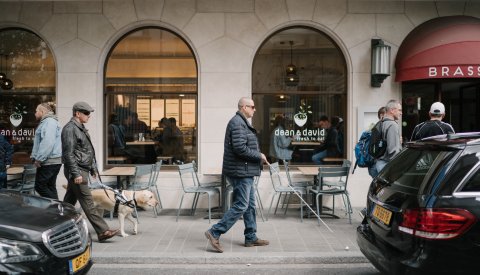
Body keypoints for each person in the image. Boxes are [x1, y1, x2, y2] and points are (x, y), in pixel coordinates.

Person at [205, 97, 269, 253]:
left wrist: (257, 155)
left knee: (250, 205)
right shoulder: (237, 123)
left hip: (244, 170)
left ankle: (251, 237)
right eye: (252, 107)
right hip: (240, 172)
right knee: (241, 205)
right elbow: (240, 148)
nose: (255, 109)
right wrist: (259, 156)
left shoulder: (242, 122)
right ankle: (215, 232)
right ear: (244, 107)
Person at [62, 101, 119, 242]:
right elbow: (68, 154)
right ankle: (103, 231)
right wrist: (75, 174)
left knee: (68, 204)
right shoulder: (70, 129)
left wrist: (92, 168)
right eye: (86, 113)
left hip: (82, 169)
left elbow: (86, 150)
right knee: (88, 201)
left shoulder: (80, 127)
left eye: (89, 113)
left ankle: (58, 225)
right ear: (77, 113)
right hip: (77, 171)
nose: (89, 116)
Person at [31, 102, 62, 199]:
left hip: (49, 162)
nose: (35, 113)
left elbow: (48, 142)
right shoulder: (49, 122)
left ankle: (57, 209)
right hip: (52, 161)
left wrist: (39, 159)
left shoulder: (49, 122)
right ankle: (57, 211)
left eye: (36, 111)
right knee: (50, 186)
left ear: (42, 111)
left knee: (40, 186)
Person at [374, 100, 402, 174]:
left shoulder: (382, 123)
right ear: (392, 110)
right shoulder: (392, 125)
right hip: (387, 165)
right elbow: (393, 151)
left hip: (379, 163)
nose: (401, 113)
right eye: (399, 110)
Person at [367, 106, 386, 178]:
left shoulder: (379, 127)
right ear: (382, 115)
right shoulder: (378, 127)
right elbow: (375, 149)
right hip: (376, 164)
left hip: (375, 164)